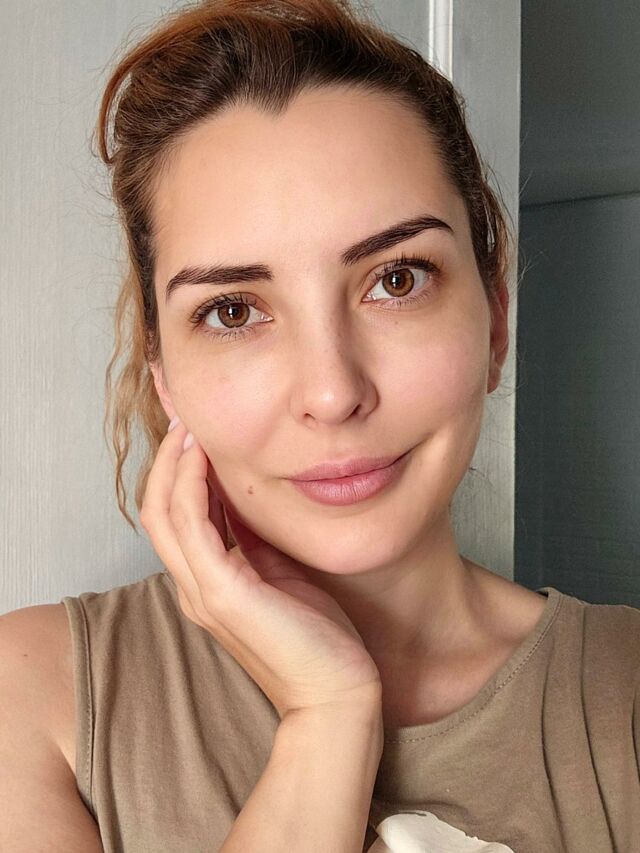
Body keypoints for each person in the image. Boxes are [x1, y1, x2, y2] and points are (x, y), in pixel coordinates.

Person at [1, 1, 639, 851]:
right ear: (164, 374)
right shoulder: (32, 701)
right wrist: (327, 716)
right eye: (233, 310)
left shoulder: (625, 693)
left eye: (397, 279)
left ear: (495, 321)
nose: (333, 392)